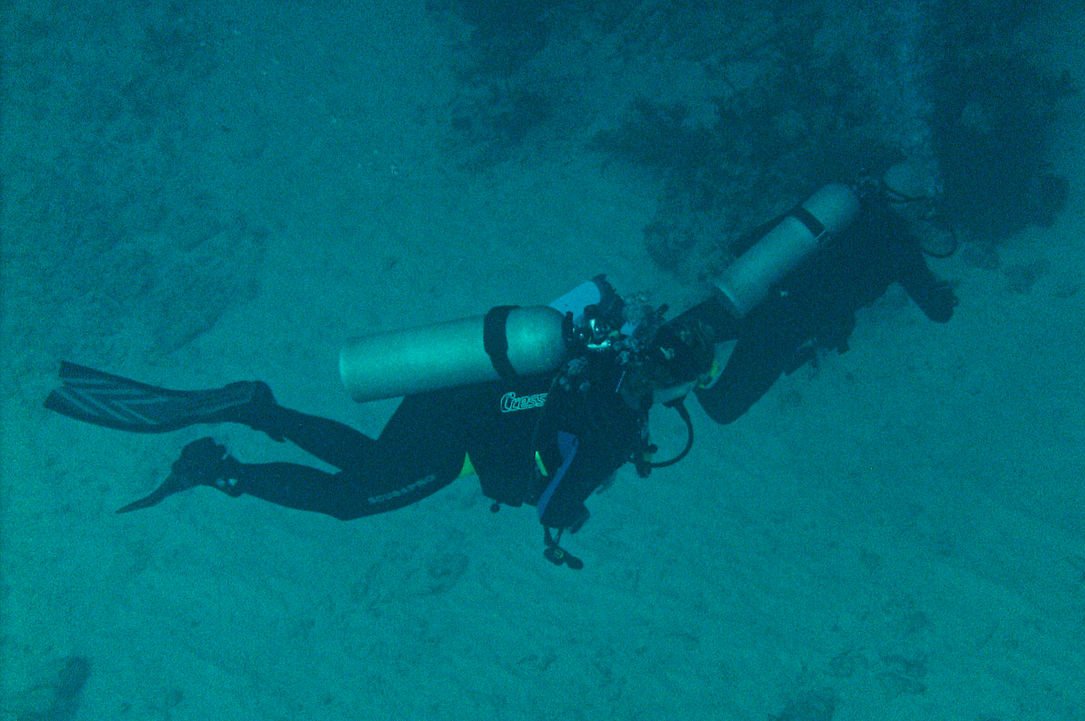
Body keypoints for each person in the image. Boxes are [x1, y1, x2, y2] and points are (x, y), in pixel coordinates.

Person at [45, 278, 717, 570]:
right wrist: (572, 516)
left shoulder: (607, 342)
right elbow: (549, 498)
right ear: (678, 381)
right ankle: (228, 459)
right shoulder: (619, 419)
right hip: (461, 434)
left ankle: (256, 409)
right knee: (353, 497)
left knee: (368, 464)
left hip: (453, 385)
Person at [690, 163, 959, 424]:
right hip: (787, 323)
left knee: (668, 338)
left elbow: (770, 230)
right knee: (722, 408)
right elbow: (939, 312)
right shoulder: (902, 248)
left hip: (753, 286)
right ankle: (692, 376)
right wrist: (946, 295)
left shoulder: (844, 203)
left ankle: (673, 368)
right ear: (912, 204)